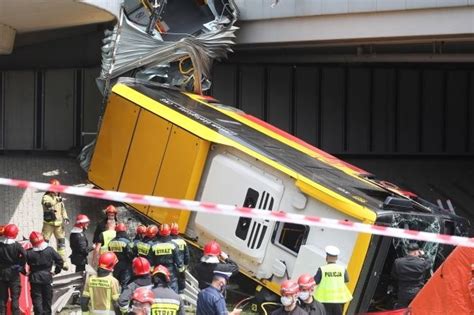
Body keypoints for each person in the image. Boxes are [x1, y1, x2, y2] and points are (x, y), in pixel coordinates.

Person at [26, 231, 64, 315]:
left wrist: (25, 272)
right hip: (47, 277)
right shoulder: (49, 250)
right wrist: (56, 271)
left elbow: (20, 263)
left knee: (37, 300)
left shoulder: (28, 252)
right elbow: (60, 261)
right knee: (47, 300)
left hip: (34, 278)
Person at [314, 246, 352, 315]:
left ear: (326, 257)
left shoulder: (322, 269)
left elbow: (315, 281)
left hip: (325, 300)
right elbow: (347, 280)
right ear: (337, 258)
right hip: (340, 300)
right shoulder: (342, 269)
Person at [391, 242, 431, 308]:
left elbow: (394, 275)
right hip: (417, 292)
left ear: (407, 251)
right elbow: (429, 262)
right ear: (416, 252)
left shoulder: (398, 262)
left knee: (402, 310)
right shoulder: (421, 263)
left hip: (403, 291)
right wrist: (424, 255)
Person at [41, 178, 70, 267]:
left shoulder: (59, 198)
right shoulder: (46, 197)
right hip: (48, 225)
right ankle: (43, 260)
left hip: (59, 225)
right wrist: (57, 200)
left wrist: (65, 217)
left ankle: (63, 261)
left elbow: (62, 209)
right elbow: (48, 204)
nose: (57, 191)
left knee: (61, 244)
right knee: (44, 243)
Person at [148, 224, 183, 293]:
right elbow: (179, 261)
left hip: (158, 271)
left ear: (160, 232)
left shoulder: (154, 245)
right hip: (171, 272)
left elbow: (150, 262)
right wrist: (181, 273)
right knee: (173, 290)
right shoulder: (173, 245)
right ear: (169, 232)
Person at [0, 224, 26, 315]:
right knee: (15, 297)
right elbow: (25, 255)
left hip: (2, 274)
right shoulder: (17, 246)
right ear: (15, 234)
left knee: (2, 298)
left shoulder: (0, 245)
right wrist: (21, 266)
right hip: (14, 274)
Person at [108, 223, 134, 287]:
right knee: (124, 283)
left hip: (115, 265)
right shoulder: (127, 242)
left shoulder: (111, 242)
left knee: (115, 282)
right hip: (125, 264)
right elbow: (130, 253)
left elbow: (110, 253)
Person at [170, 222, 190, 293]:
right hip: (180, 268)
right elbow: (187, 256)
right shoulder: (183, 242)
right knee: (180, 287)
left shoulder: (168, 242)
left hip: (171, 267)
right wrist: (185, 265)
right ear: (178, 232)